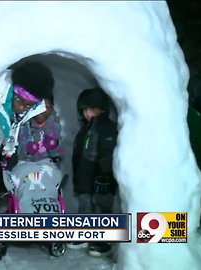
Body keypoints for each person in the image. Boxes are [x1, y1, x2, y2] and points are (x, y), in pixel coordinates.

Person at [0, 61, 55, 262]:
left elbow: (15, 123)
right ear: (14, 91)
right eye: (21, 101)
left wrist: (9, 150)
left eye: (29, 105)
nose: (24, 107)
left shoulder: (31, 104)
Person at [69, 87, 118, 257]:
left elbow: (108, 152)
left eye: (90, 109)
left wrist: (105, 173)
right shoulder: (86, 129)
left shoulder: (107, 128)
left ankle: (102, 241)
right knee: (85, 208)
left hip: (101, 178)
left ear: (101, 109)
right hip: (85, 176)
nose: (86, 113)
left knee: (101, 209)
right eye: (84, 110)